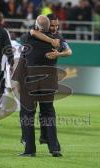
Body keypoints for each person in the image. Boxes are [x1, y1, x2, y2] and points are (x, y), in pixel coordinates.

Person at [14, 15, 64, 157]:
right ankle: (54, 148)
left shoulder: (28, 38)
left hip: (31, 81)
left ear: (36, 25)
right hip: (49, 81)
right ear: (50, 26)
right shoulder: (57, 39)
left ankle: (29, 149)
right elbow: (65, 49)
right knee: (48, 112)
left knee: (27, 114)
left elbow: (30, 34)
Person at [30, 14, 72, 145]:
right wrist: (51, 42)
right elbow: (33, 32)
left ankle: (39, 138)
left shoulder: (58, 37)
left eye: (57, 25)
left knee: (43, 110)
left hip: (43, 79)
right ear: (47, 25)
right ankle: (45, 139)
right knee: (43, 110)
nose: (55, 28)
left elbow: (69, 51)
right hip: (36, 79)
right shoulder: (37, 33)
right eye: (52, 25)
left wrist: (58, 54)